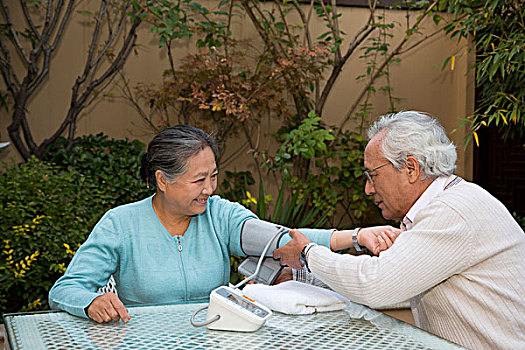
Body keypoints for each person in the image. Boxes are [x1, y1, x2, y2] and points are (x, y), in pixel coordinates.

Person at [49, 125, 400, 324]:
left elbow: (280, 239)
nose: (210, 189)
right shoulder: (120, 224)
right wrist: (91, 302)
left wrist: (355, 236)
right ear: (162, 180)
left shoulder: (219, 215)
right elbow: (66, 289)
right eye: (199, 180)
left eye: (214, 176)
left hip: (215, 339)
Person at [274, 111, 525, 350]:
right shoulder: (445, 206)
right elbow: (401, 289)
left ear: (411, 168)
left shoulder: (453, 211)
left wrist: (308, 253)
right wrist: (306, 278)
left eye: (372, 175)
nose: (368, 190)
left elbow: (377, 285)